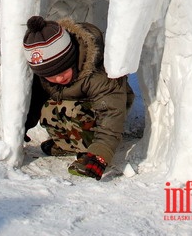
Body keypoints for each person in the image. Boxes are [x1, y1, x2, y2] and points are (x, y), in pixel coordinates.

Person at [23, 15, 134, 181]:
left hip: (108, 108)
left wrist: (100, 154)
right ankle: (69, 145)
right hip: (78, 108)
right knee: (49, 110)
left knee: (71, 110)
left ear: (72, 57)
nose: (59, 79)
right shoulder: (46, 77)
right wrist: (22, 126)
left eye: (62, 71)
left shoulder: (98, 75)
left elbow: (111, 114)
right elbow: (35, 100)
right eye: (51, 76)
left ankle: (91, 149)